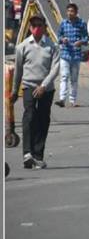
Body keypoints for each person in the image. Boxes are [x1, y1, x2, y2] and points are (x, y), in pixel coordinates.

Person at [10, 14, 60, 168]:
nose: (37, 28)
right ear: (30, 28)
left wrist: (44, 86)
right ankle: (27, 153)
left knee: (43, 119)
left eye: (40, 25)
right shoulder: (22, 47)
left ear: (45, 28)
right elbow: (18, 71)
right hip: (28, 86)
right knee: (29, 116)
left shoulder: (52, 46)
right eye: (34, 26)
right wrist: (14, 91)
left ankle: (38, 155)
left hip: (46, 88)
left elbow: (55, 68)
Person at [57, 3, 88, 108]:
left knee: (74, 79)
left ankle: (72, 100)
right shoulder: (63, 23)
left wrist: (81, 42)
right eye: (68, 11)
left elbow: (86, 38)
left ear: (76, 12)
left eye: (72, 11)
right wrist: (62, 40)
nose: (70, 13)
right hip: (65, 54)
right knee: (64, 76)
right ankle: (62, 99)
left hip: (76, 55)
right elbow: (58, 37)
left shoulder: (82, 23)